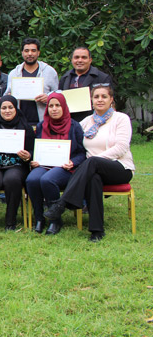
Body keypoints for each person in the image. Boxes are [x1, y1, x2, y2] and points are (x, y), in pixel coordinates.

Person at [43, 85, 134, 242]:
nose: (100, 100)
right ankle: (97, 231)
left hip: (119, 167)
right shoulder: (86, 122)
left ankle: (62, 203)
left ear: (111, 99)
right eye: (96, 97)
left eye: (104, 96)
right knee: (93, 179)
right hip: (93, 170)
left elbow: (121, 148)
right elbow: (75, 143)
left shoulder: (121, 119)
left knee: (92, 162)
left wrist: (96, 159)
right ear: (91, 100)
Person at [25, 92, 86, 235]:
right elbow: (36, 148)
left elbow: (82, 153)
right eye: (51, 106)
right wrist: (34, 158)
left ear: (64, 107)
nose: (54, 109)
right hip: (44, 165)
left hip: (66, 168)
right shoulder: (41, 126)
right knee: (32, 179)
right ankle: (39, 218)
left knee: (47, 180)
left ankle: (55, 219)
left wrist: (73, 162)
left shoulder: (74, 126)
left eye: (58, 105)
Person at [0, 96, 36, 232]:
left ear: (16, 108)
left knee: (12, 180)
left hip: (17, 165)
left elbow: (33, 150)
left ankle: (10, 222)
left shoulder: (26, 127)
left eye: (10, 107)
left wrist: (28, 155)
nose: (7, 111)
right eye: (4, 108)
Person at [5, 38, 59, 126]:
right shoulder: (14, 73)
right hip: (19, 123)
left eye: (33, 50)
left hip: (44, 123)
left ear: (38, 53)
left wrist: (48, 98)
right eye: (26, 51)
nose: (30, 54)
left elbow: (59, 96)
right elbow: (5, 97)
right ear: (22, 53)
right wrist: (9, 97)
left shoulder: (49, 72)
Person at [58, 47, 114, 122]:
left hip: (94, 121)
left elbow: (110, 102)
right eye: (76, 57)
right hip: (70, 122)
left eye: (84, 57)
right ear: (72, 60)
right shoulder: (65, 78)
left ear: (90, 60)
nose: (80, 60)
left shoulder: (102, 78)